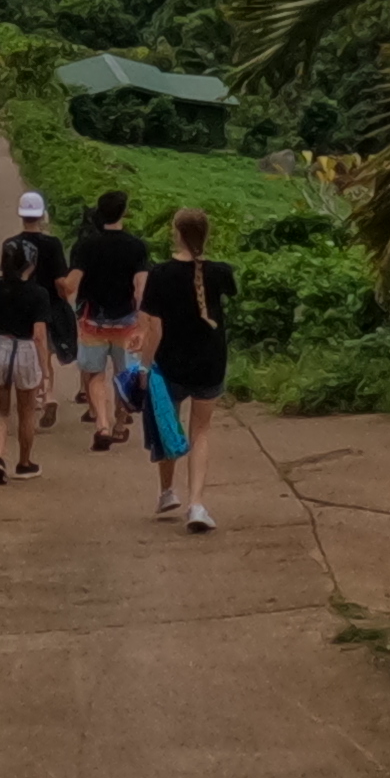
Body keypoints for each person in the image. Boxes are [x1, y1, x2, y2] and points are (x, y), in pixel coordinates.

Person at [139, 203, 240, 532]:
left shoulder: (160, 274)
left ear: (176, 234)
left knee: (169, 425)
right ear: (205, 235)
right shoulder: (221, 272)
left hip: (170, 363)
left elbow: (154, 328)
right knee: (201, 431)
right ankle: (197, 504)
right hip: (210, 361)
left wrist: (145, 365)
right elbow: (226, 292)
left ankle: (168, 492)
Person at [0, 230, 65, 480]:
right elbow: (39, 335)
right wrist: (44, 371)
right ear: (29, 263)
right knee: (27, 411)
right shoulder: (38, 294)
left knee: (0, 409)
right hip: (25, 351)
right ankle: (24, 462)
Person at [66, 191, 150, 451]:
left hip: (94, 320)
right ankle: (120, 425)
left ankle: (101, 424)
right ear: (124, 212)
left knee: (95, 374)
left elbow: (71, 286)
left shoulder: (85, 246)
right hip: (126, 321)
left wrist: (59, 285)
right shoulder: (137, 246)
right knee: (125, 375)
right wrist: (143, 321)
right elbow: (140, 289)